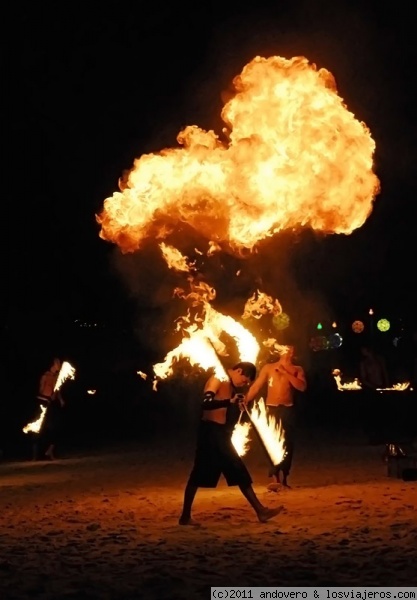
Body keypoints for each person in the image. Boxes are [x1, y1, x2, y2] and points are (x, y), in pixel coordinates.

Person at [179, 362, 284, 526]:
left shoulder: (230, 385)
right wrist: (229, 401)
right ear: (239, 371)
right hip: (210, 433)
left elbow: (225, 407)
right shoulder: (217, 378)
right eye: (246, 380)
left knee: (235, 470)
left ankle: (185, 516)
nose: (245, 384)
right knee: (207, 472)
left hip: (219, 433)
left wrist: (237, 404)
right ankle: (260, 511)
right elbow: (205, 403)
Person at [244, 346, 307, 490]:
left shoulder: (297, 369)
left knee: (287, 444)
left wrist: (286, 373)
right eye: (287, 350)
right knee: (270, 443)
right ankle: (275, 478)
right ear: (280, 351)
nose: (290, 352)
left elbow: (302, 387)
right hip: (271, 409)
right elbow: (256, 386)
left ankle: (284, 477)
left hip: (287, 409)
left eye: (292, 350)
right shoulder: (269, 367)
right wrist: (245, 399)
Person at [32, 357, 65, 461]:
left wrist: (60, 400)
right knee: (39, 429)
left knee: (54, 428)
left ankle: (50, 451)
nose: (59, 365)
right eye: (58, 363)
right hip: (43, 402)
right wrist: (45, 397)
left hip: (51, 403)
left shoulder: (57, 377)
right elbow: (41, 390)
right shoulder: (45, 376)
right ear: (53, 364)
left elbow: (57, 389)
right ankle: (35, 455)